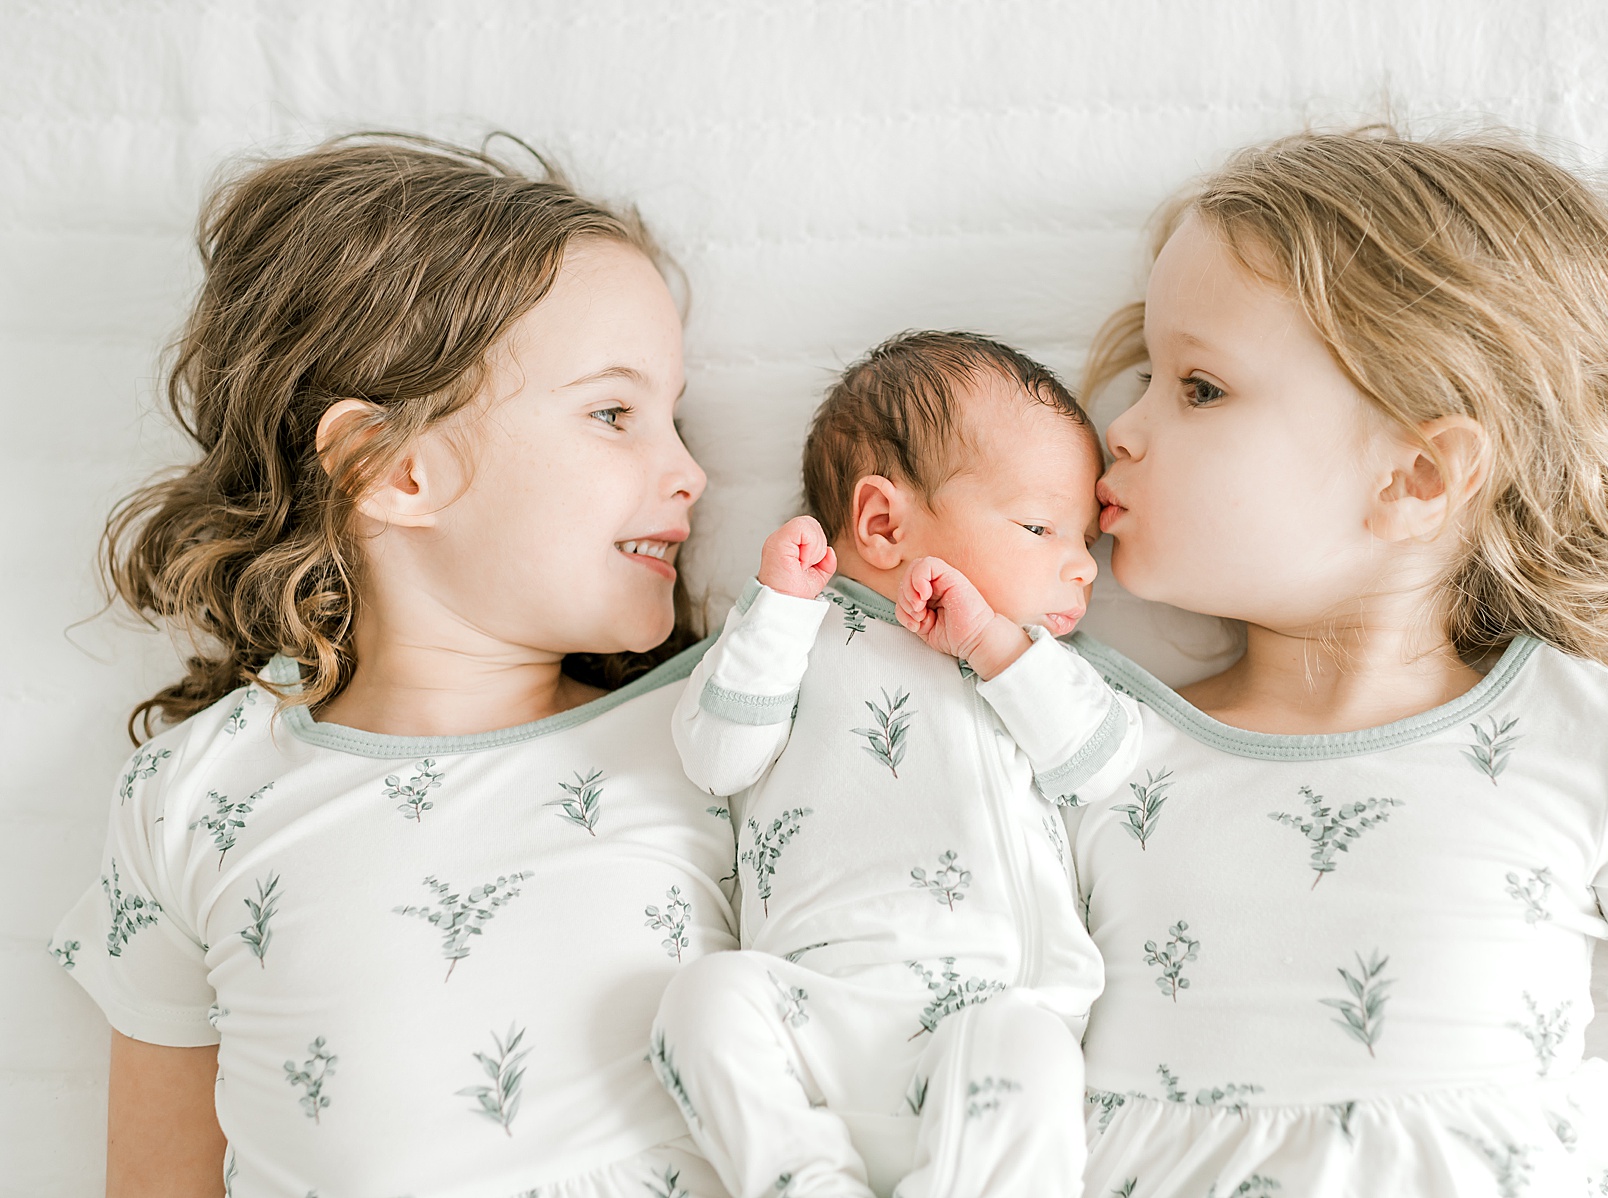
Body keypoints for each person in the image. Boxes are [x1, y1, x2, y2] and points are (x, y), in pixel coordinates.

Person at [1069, 129, 1608, 1197]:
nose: (1118, 429)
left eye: (1199, 387)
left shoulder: (1584, 733)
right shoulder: (1081, 736)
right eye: (1145, 375)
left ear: (1415, 475)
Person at [49, 134, 734, 1198]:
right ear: (391, 466)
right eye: (614, 413)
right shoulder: (194, 800)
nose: (690, 470)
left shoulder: (722, 732)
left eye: (674, 416)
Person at [652, 331, 1140, 1198]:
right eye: (1039, 528)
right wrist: (775, 611)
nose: (1081, 568)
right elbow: (716, 758)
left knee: (1033, 1056)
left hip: (985, 1017)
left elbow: (1099, 764)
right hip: (810, 1012)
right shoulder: (788, 635)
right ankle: (801, 1180)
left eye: (1086, 546)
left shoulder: (1024, 664)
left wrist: (993, 645)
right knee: (703, 1001)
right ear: (883, 524)